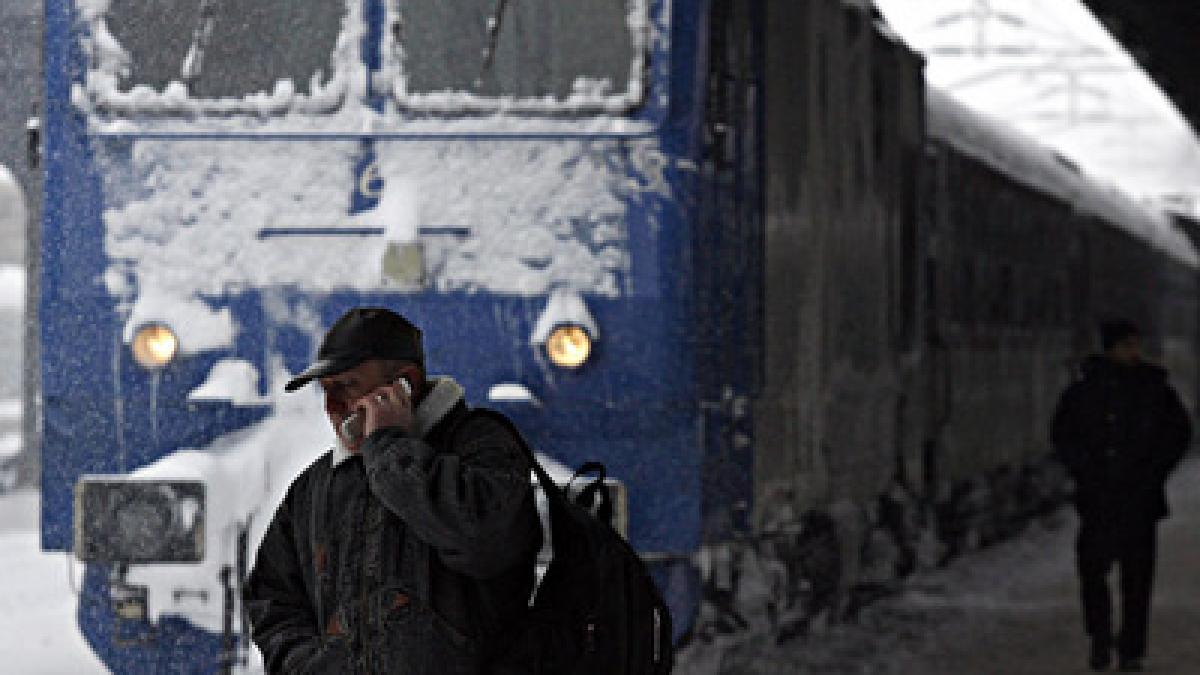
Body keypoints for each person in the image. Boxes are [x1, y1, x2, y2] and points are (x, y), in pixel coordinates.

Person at [244, 307, 542, 674]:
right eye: (326, 391)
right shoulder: (316, 487)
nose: (332, 407)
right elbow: (273, 600)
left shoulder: (480, 446)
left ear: (406, 384)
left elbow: (484, 542)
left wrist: (388, 447)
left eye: (347, 387)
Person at [1051, 319, 1191, 672]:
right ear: (1111, 347)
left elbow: (1180, 433)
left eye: (1136, 344)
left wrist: (1156, 469)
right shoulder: (1084, 391)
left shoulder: (1155, 388)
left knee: (1137, 580)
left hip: (1140, 499)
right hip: (1098, 497)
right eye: (1127, 345)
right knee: (1093, 573)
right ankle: (1100, 636)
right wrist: (1083, 468)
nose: (1134, 351)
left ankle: (1131, 650)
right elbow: (1063, 435)